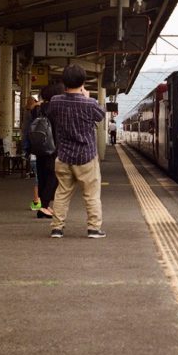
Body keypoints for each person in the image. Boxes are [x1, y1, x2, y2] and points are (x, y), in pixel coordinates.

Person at [46, 65, 107, 239]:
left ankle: (57, 228)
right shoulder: (90, 103)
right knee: (91, 194)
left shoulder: (56, 101)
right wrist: (85, 97)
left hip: (64, 155)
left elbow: (51, 114)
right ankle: (94, 229)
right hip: (86, 156)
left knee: (62, 193)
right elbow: (101, 115)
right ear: (83, 82)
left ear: (64, 81)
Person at [30, 82, 65, 220]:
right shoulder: (56, 109)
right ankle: (43, 207)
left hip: (39, 148)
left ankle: (44, 206)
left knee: (43, 176)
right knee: (53, 176)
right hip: (53, 147)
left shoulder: (37, 109)